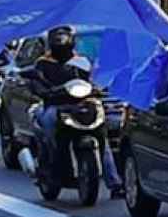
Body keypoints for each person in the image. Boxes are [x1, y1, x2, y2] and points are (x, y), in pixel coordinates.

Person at [22, 26, 124, 197]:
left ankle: (114, 183)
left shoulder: (82, 62)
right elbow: (36, 82)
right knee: (48, 124)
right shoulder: (43, 63)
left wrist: (100, 88)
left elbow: (94, 80)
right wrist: (43, 90)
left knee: (102, 137)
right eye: (57, 40)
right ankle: (51, 167)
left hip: (82, 105)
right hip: (55, 105)